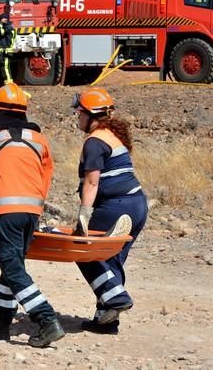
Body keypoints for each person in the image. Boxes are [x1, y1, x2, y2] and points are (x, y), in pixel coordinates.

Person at [0, 83, 65, 348]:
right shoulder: (39, 140)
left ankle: (46, 319)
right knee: (12, 265)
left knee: (12, 268)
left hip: (5, 212)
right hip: (32, 211)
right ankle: (2, 322)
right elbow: (46, 175)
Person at [71, 87, 147, 335]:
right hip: (136, 204)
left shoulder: (94, 141)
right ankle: (106, 320)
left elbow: (92, 181)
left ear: (90, 114)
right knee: (111, 260)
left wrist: (84, 213)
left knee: (84, 251)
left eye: (79, 113)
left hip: (115, 205)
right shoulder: (113, 136)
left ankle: (116, 298)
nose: (77, 118)